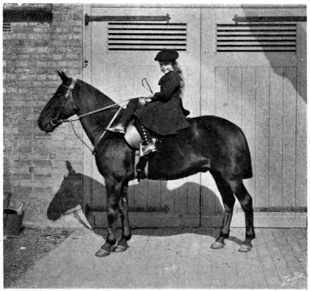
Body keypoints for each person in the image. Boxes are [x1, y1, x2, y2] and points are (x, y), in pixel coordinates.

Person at [107, 49, 190, 177]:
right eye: (161, 65)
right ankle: (122, 125)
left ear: (173, 64)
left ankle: (148, 143)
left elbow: (166, 94)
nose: (163, 67)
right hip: (165, 103)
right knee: (134, 102)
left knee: (140, 115)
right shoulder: (170, 75)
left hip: (169, 106)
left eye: (165, 64)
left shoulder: (173, 75)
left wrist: (153, 97)